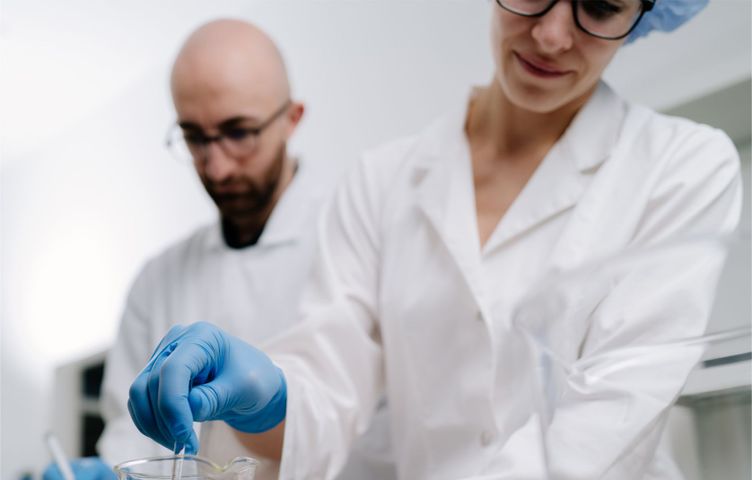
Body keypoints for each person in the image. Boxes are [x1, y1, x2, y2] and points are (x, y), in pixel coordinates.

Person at [127, 1, 743, 479]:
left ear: (643, 13)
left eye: (602, 6)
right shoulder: (380, 183)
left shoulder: (682, 168)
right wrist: (270, 398)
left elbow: (612, 417)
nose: (553, 34)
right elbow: (327, 391)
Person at [43, 19, 395, 480]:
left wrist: (277, 411)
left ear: (292, 119)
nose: (217, 167)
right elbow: (133, 443)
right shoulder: (156, 280)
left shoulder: (359, 238)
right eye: (194, 137)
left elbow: (385, 427)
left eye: (239, 132)